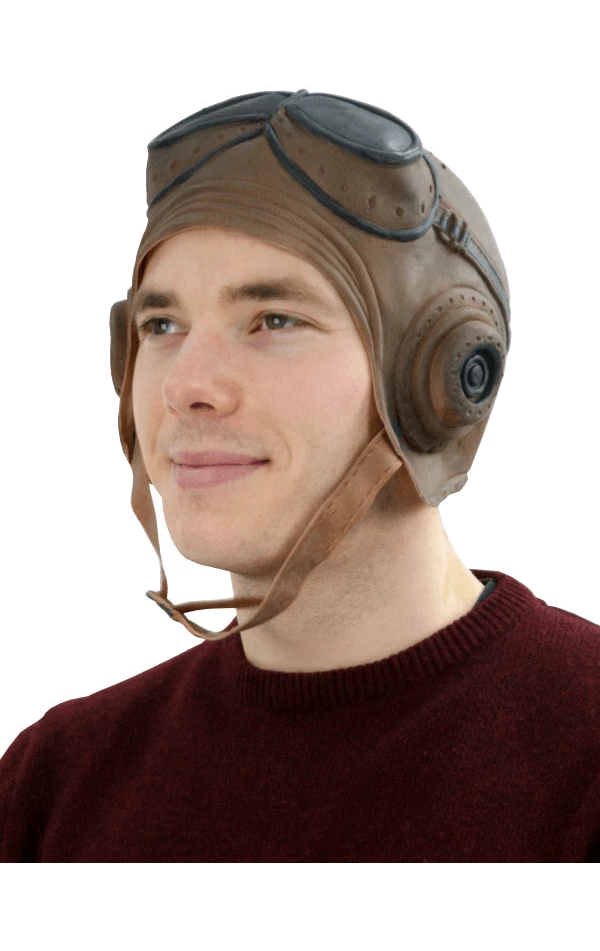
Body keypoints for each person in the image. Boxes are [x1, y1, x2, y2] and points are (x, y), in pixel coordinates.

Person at [0, 91, 598, 864]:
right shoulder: (53, 783)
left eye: (274, 319)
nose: (185, 384)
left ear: (440, 380)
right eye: (162, 325)